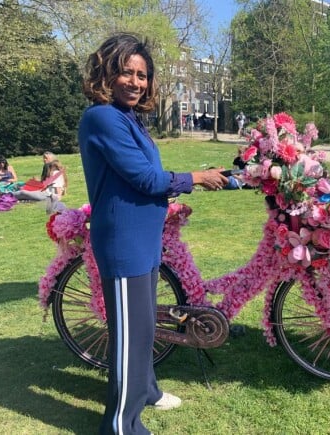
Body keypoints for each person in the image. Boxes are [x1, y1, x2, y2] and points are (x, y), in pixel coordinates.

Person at [78, 33, 227, 435]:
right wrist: (196, 177)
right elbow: (144, 178)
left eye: (142, 75)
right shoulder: (102, 117)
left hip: (143, 242)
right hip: (123, 244)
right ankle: (121, 425)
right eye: (126, 72)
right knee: (129, 337)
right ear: (107, 72)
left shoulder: (129, 118)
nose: (135, 82)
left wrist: (182, 185)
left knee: (144, 329)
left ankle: (146, 391)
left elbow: (146, 178)